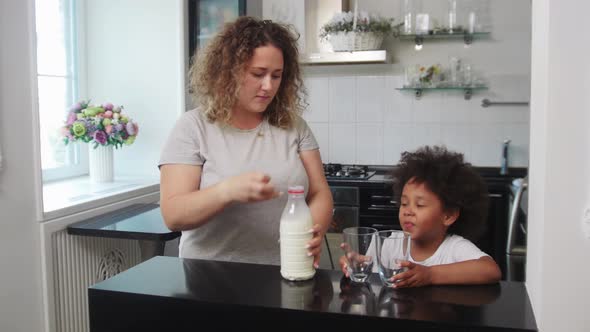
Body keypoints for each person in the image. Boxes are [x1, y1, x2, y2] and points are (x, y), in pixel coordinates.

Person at [159, 16, 333, 267]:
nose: (268, 86)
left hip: (288, 271)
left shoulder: (293, 126)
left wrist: (313, 231)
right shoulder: (192, 127)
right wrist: (226, 191)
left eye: (276, 76)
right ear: (228, 72)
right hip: (210, 279)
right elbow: (173, 215)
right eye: (258, 74)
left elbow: (319, 193)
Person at [339, 145, 501, 287]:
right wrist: (357, 264)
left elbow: (490, 270)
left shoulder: (453, 248)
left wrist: (429, 274)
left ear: (448, 215)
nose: (407, 211)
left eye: (420, 205)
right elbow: (372, 277)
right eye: (404, 203)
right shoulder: (389, 244)